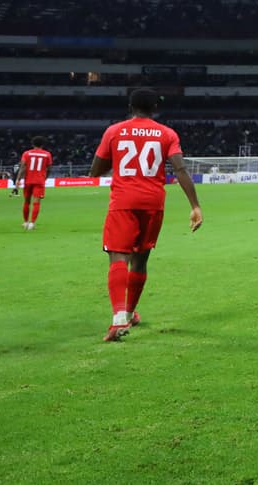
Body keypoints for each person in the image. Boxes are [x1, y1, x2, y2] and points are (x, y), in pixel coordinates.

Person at [89, 89, 202, 342]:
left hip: (124, 200)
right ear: (155, 108)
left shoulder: (114, 131)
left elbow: (95, 170)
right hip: (153, 201)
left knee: (118, 255)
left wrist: (115, 160)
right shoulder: (167, 133)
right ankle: (130, 313)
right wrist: (195, 205)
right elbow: (180, 169)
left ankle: (119, 318)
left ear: (130, 106)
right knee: (140, 260)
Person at [18, 136, 54, 231]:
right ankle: (32, 223)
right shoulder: (47, 154)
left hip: (28, 180)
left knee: (26, 201)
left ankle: (25, 222)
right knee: (36, 203)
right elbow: (49, 168)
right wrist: (45, 177)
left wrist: (18, 179)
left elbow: (22, 167)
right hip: (39, 181)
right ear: (43, 144)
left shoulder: (26, 153)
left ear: (32, 144)